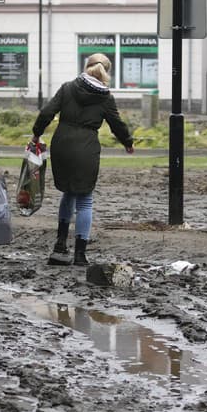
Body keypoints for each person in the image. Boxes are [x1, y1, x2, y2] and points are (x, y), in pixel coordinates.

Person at [31, 53, 134, 266]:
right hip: (86, 147)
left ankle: (60, 245)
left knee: (68, 193)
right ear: (107, 72)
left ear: (87, 67)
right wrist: (127, 142)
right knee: (85, 199)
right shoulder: (105, 97)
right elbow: (117, 124)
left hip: (62, 144)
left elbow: (47, 112)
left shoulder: (68, 87)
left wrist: (36, 133)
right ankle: (80, 254)